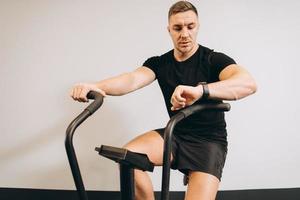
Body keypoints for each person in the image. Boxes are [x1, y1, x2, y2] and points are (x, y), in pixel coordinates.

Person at [70, 1, 257, 200]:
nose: (184, 34)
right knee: (128, 158)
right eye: (177, 28)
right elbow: (131, 80)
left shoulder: (213, 60)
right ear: (169, 30)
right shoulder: (160, 63)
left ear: (198, 27)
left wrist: (200, 90)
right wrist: (95, 86)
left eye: (190, 27)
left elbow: (248, 84)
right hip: (174, 135)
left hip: (208, 143)